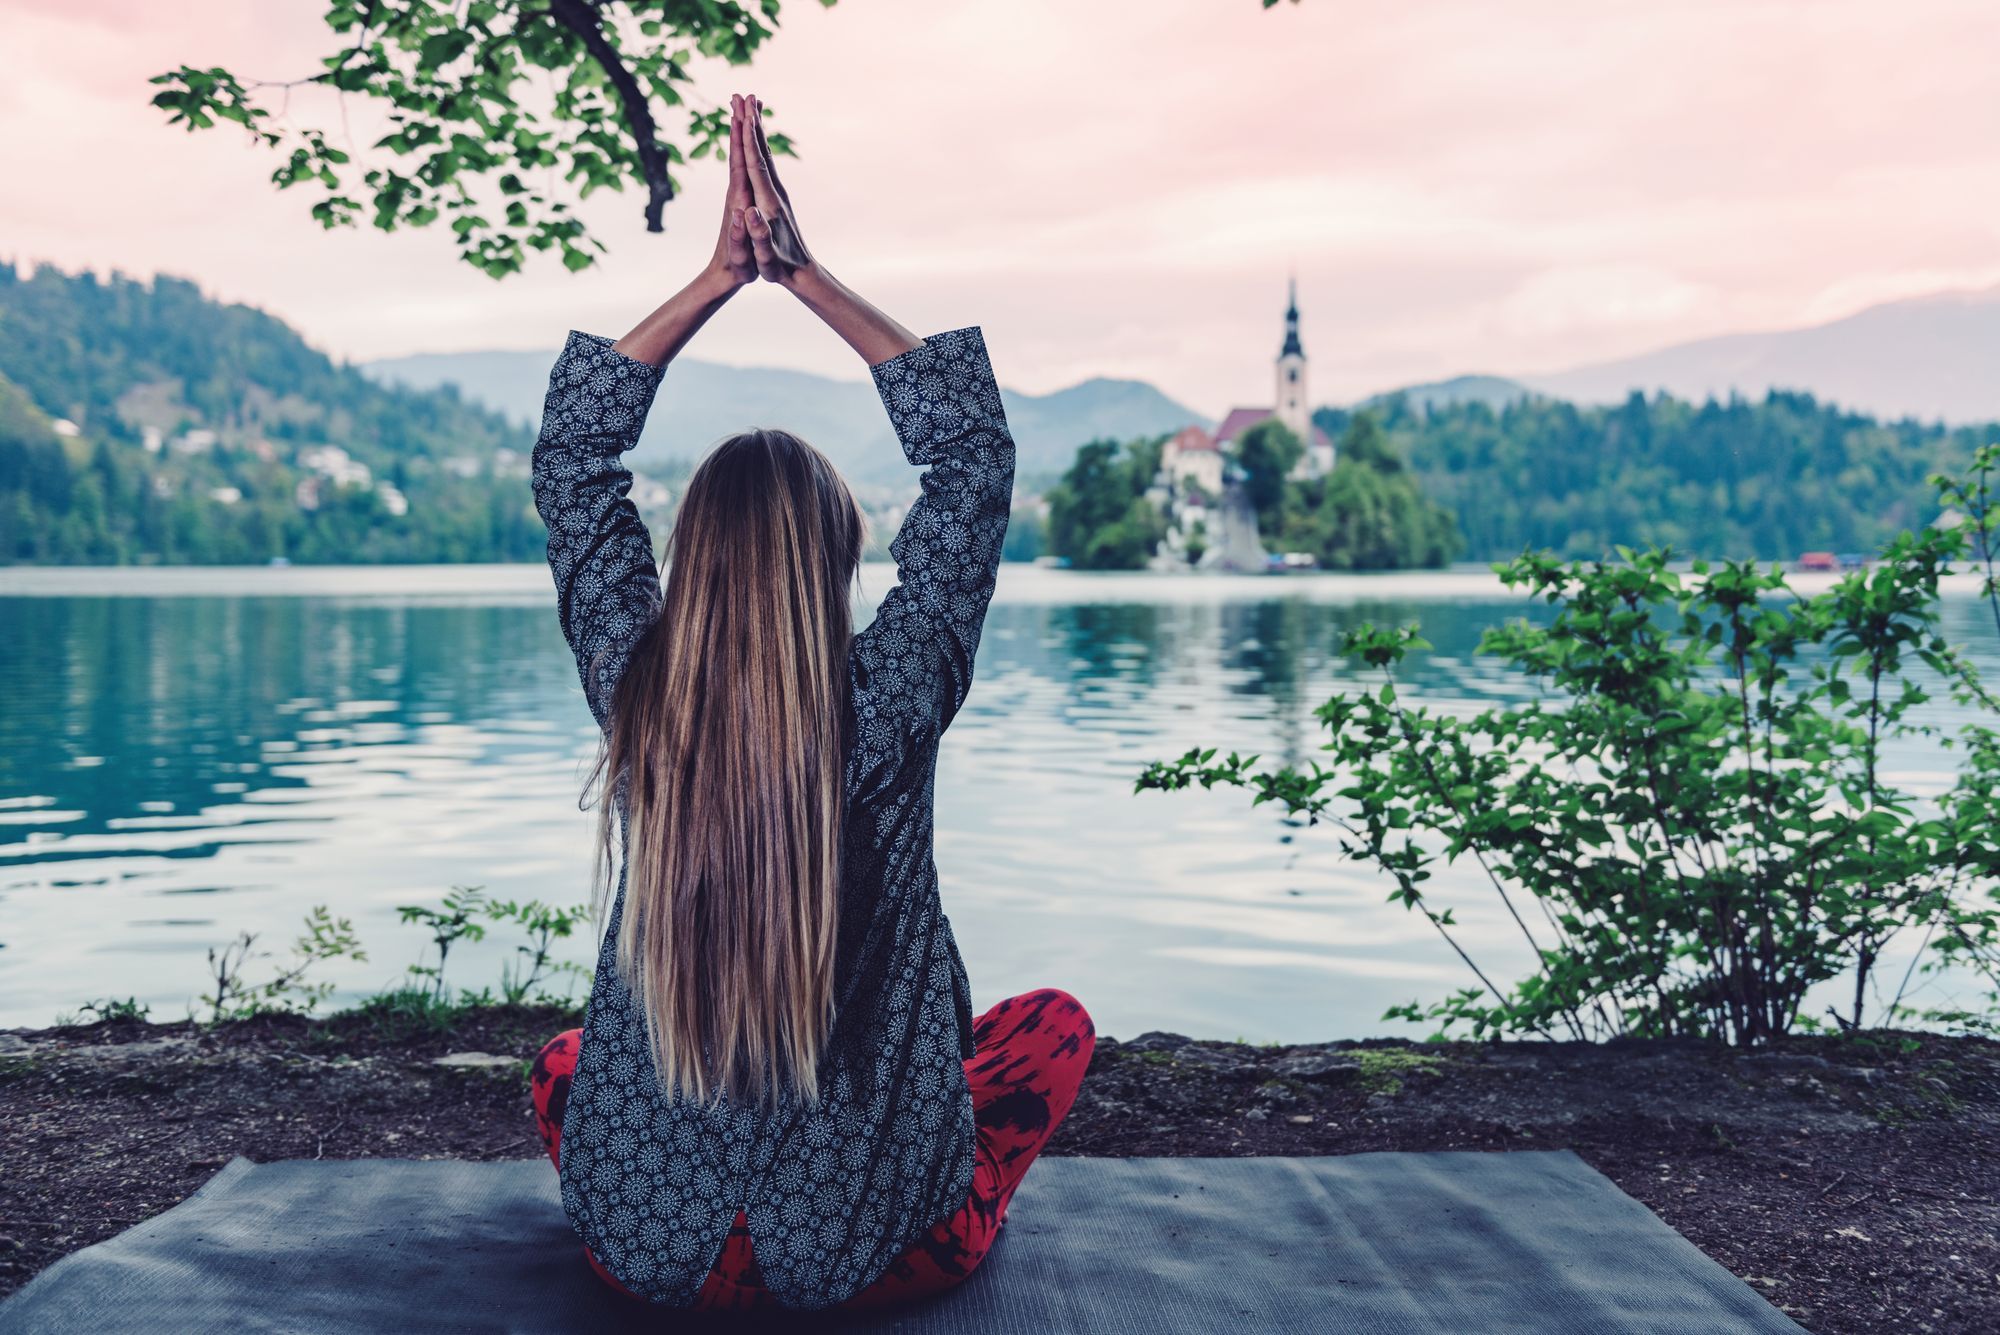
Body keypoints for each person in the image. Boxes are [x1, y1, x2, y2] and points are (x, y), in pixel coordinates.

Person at [525, 93, 1094, 1313]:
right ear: (834, 561)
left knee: (566, 1064)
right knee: (1045, 1029)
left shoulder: (636, 688)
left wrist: (714, 280)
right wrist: (804, 275)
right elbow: (973, 461)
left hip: (646, 1257)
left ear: (691, 561)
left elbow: (572, 461)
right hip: (871, 1258)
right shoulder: (887, 701)